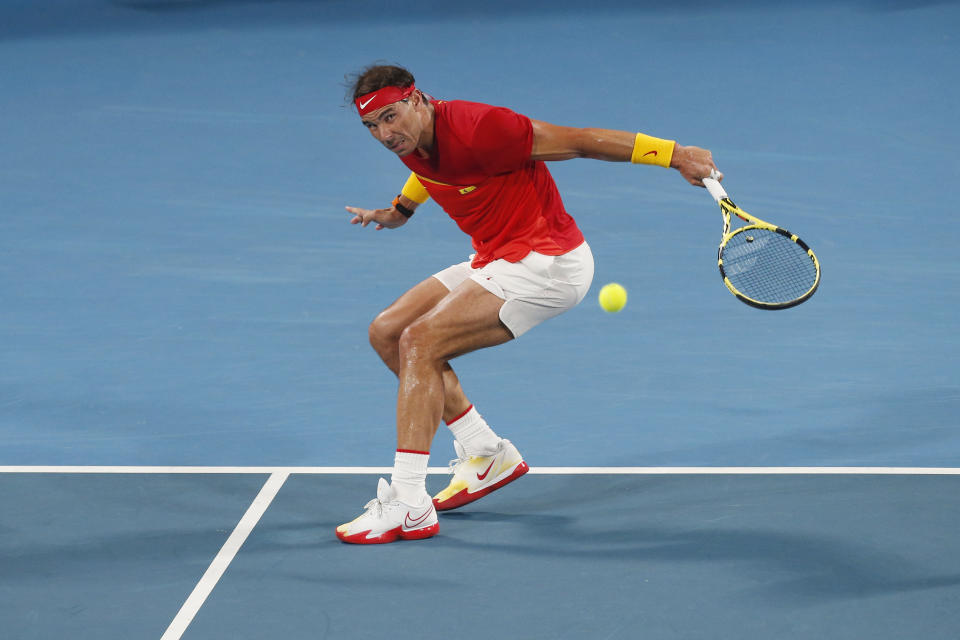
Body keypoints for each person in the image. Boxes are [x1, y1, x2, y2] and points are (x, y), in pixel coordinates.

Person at [336, 64, 720, 544]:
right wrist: (400, 211)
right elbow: (431, 171)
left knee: (420, 341)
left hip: (547, 263)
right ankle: (485, 453)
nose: (384, 134)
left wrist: (674, 154)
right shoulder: (412, 138)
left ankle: (410, 503)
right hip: (497, 255)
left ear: (418, 100)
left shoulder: (484, 129)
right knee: (388, 332)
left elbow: (579, 140)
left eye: (390, 118)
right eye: (371, 127)